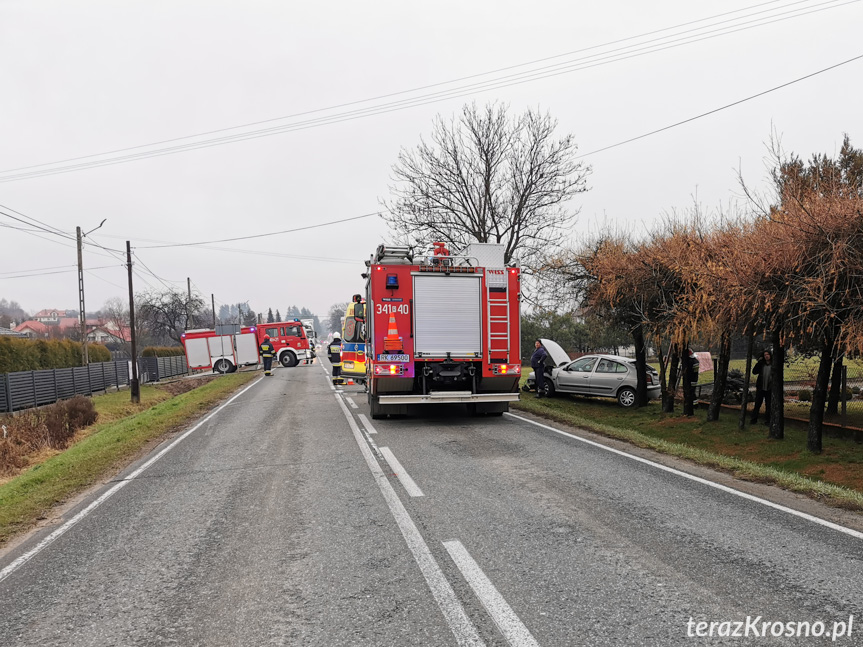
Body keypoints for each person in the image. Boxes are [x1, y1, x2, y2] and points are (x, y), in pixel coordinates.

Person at [751, 349, 772, 424]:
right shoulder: (761, 364)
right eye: (765, 355)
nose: (766, 356)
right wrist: (758, 363)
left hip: (769, 388)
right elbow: (754, 372)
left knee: (768, 405)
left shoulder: (773, 365)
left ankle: (768, 421)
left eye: (767, 354)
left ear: (770, 355)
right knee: (757, 404)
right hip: (761, 387)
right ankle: (753, 419)